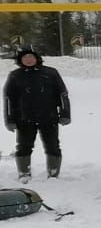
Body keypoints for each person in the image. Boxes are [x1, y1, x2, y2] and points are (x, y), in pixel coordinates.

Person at [4, 44, 70, 180]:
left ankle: (53, 173)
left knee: (52, 145)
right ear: (20, 60)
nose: (28, 59)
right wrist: (10, 120)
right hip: (24, 118)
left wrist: (65, 114)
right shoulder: (15, 76)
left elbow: (62, 94)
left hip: (49, 117)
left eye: (31, 56)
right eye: (25, 57)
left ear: (36, 57)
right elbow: (9, 99)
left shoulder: (51, 73)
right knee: (24, 146)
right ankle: (24, 173)